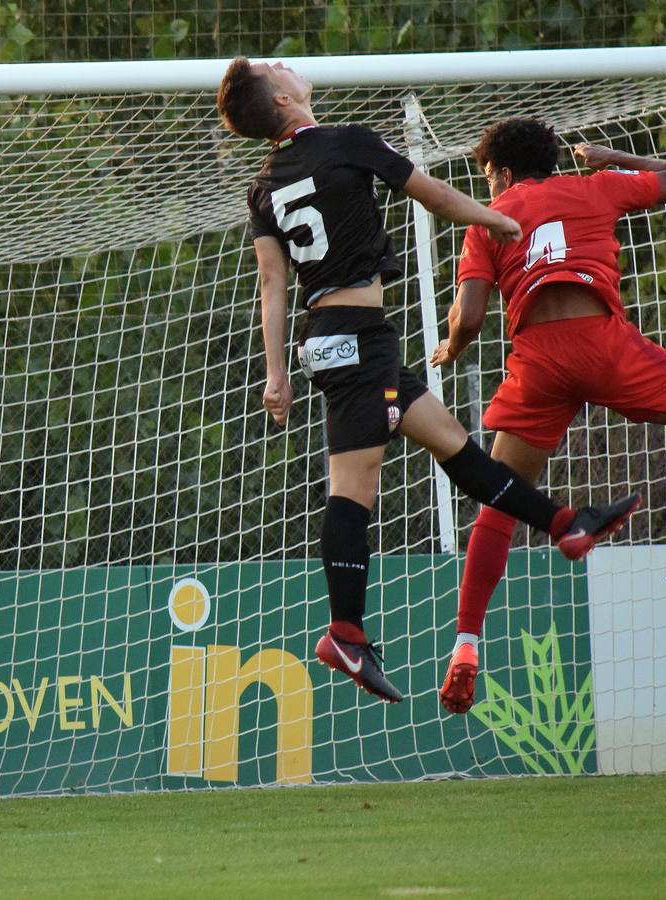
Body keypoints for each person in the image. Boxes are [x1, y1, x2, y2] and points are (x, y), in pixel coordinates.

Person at [216, 59, 640, 705]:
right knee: (352, 487)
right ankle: (344, 633)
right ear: (281, 96)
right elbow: (434, 194)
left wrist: (277, 372)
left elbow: (272, 285)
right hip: (355, 341)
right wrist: (497, 221)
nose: (288, 66)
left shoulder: (263, 185)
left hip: (341, 341)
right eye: (278, 67)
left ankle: (564, 523)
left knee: (454, 445)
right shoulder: (348, 141)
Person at [432, 118, 666, 715]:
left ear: (499, 171)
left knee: (501, 498)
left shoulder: (487, 219)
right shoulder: (597, 186)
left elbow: (469, 317)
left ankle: (467, 644)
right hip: (605, 347)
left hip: (540, 363)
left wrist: (452, 347)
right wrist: (608, 157)